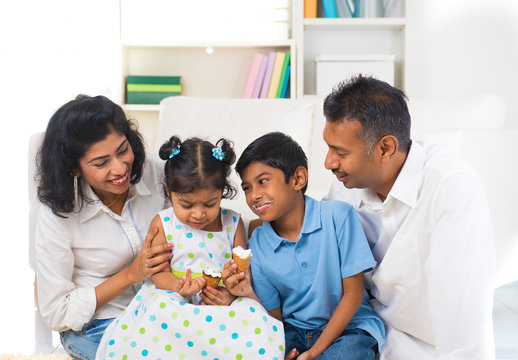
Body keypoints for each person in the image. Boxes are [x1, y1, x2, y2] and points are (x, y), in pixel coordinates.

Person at [322, 75, 495, 359]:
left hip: (432, 345)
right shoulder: (346, 185)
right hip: (368, 331)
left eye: (340, 152)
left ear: (385, 148)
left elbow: (461, 308)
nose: (328, 162)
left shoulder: (450, 186)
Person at [96, 136, 286, 360]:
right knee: (157, 316)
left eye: (210, 203)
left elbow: (242, 272)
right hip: (176, 298)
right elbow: (159, 274)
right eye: (186, 204)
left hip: (219, 303)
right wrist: (180, 287)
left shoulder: (233, 223)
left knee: (254, 318)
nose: (198, 214)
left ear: (222, 193)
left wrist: (232, 286)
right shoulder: (163, 223)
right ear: (169, 192)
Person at [225, 131, 385, 360]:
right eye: (247, 188)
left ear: (298, 179)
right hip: (295, 331)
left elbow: (354, 294)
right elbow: (274, 319)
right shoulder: (257, 246)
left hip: (351, 328)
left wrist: (314, 353)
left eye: (263, 181)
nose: (254, 196)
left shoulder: (338, 217)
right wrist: (248, 294)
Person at [35, 95, 172, 360]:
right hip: (95, 325)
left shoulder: (158, 174)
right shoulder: (58, 213)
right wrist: (131, 274)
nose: (120, 168)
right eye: (101, 163)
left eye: (122, 150)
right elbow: (55, 312)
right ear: (74, 168)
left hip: (161, 310)